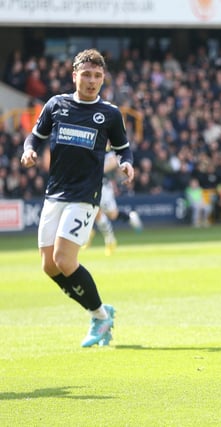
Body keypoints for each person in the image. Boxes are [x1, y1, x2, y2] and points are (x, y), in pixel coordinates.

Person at [20, 49, 134, 347]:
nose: (92, 80)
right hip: (55, 193)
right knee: (49, 266)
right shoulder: (56, 105)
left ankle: (99, 316)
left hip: (85, 195)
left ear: (103, 78)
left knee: (64, 259)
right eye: (86, 75)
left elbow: (123, 147)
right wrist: (29, 150)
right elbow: (35, 135)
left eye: (97, 76)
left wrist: (126, 163)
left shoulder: (109, 114)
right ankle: (100, 312)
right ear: (75, 76)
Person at [85, 149, 143, 256]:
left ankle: (130, 217)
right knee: (96, 211)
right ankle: (109, 240)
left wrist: (93, 169)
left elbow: (112, 163)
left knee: (112, 214)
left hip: (104, 186)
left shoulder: (107, 150)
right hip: (91, 185)